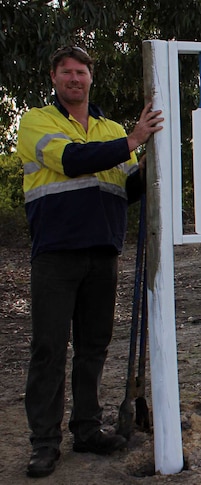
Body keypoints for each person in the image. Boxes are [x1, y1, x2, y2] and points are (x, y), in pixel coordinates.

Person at [16, 45, 163, 478]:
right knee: (48, 349)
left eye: (81, 72)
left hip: (103, 252)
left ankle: (86, 429)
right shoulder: (36, 122)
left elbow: (125, 188)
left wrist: (153, 164)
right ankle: (44, 443)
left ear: (90, 78)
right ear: (53, 78)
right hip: (56, 255)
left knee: (92, 348)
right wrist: (133, 140)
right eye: (67, 73)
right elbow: (71, 161)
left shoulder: (109, 128)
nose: (75, 79)